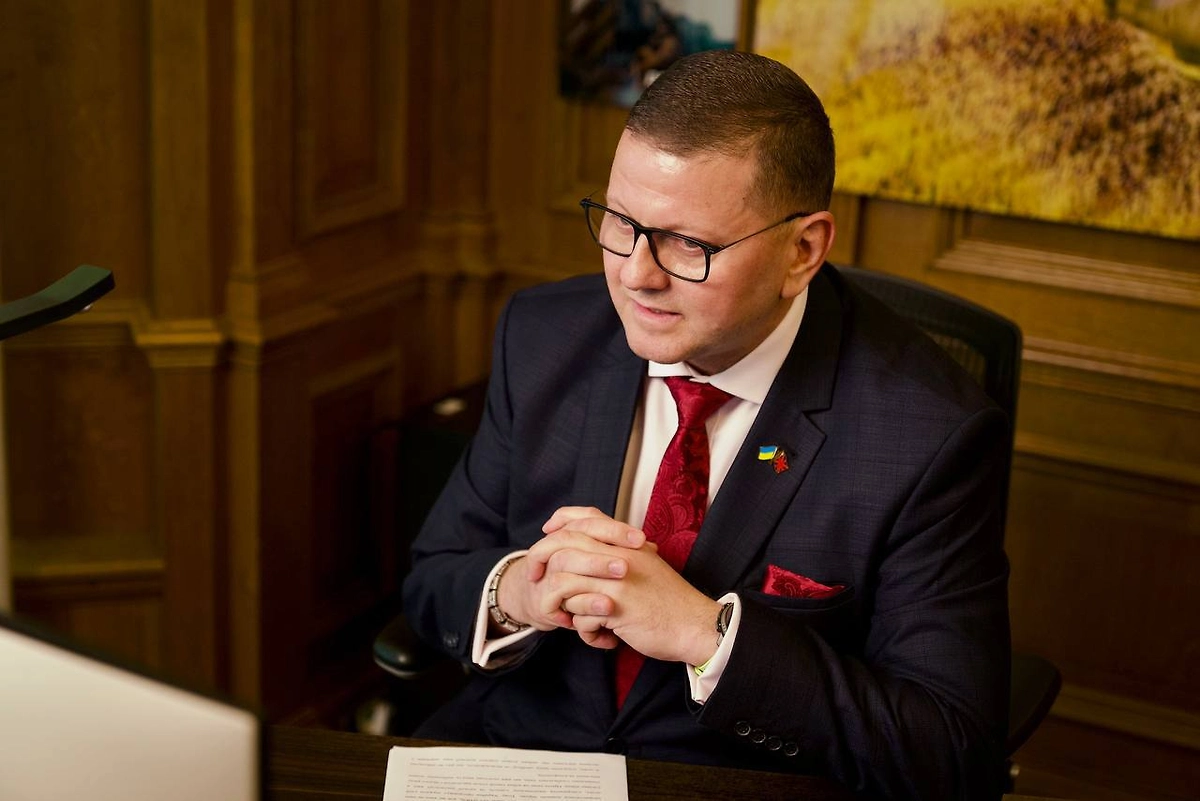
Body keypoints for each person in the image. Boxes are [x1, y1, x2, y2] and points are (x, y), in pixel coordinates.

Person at [402, 49, 1010, 800]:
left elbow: (950, 751)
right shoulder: (542, 335)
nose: (636, 274)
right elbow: (433, 579)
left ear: (803, 249)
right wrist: (520, 594)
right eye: (621, 223)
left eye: (689, 244)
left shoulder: (929, 433)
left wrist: (706, 635)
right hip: (521, 756)